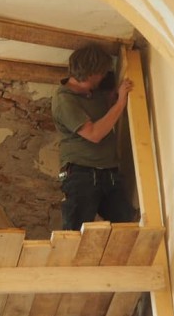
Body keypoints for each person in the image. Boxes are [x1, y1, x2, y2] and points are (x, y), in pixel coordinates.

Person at [52, 44, 137, 231]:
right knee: (75, 233)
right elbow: (94, 134)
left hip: (109, 172)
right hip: (81, 173)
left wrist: (113, 99)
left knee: (126, 226)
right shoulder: (64, 100)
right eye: (102, 72)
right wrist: (121, 102)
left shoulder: (94, 92)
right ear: (92, 74)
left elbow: (104, 114)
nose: (104, 76)